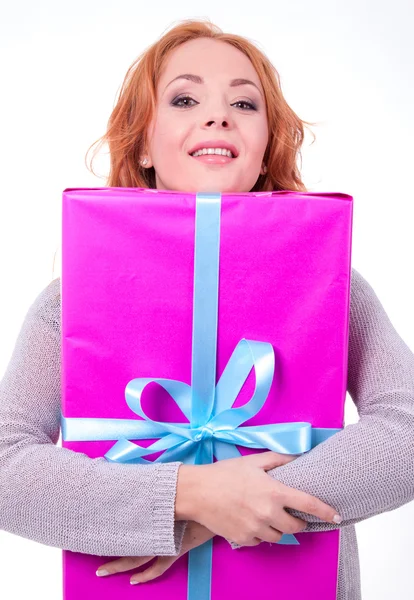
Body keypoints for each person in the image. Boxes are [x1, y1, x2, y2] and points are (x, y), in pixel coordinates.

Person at [0, 18, 413, 600]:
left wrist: (240, 508)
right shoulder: (70, 301)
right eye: (186, 98)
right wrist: (190, 496)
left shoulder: (335, 288)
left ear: (266, 144)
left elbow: (407, 430)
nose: (218, 116)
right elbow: (6, 465)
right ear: (143, 144)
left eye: (244, 103)